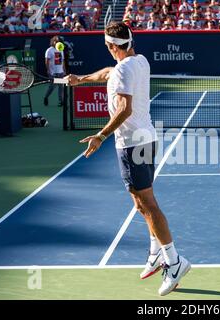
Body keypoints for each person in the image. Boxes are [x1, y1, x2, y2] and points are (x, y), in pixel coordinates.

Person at [64, 22, 191, 296]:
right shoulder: (139, 61)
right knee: (142, 203)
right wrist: (81, 79)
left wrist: (100, 135)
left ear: (111, 46)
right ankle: (155, 253)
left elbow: (124, 108)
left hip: (131, 144)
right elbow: (110, 73)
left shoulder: (123, 69)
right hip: (147, 139)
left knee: (147, 205)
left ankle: (174, 261)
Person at [43, 36, 66, 107]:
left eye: (58, 41)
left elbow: (62, 61)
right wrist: (48, 71)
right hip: (53, 73)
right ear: (53, 42)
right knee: (52, 87)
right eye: (56, 41)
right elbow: (47, 61)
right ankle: (46, 97)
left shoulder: (61, 49)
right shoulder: (49, 50)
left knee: (61, 87)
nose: (57, 43)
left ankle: (61, 101)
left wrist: (64, 70)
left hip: (61, 72)